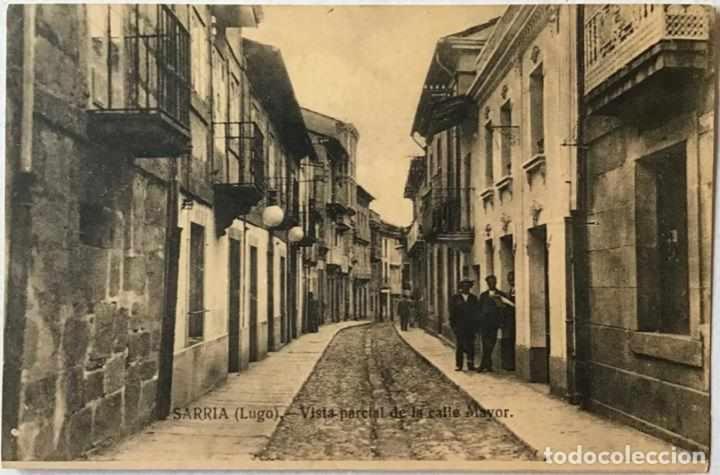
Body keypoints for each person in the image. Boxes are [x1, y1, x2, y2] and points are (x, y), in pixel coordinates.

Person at [477, 275, 510, 372]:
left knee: (491, 343)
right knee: (485, 343)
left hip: (494, 323)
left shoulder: (501, 294)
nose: (492, 284)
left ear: (496, 282)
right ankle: (488, 364)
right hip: (484, 324)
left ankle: (483, 364)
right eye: (490, 282)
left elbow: (505, 309)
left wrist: (501, 321)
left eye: (493, 282)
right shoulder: (483, 295)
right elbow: (479, 309)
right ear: (487, 283)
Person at [449, 279, 479, 371]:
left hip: (470, 326)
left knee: (471, 346)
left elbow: (476, 313)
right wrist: (454, 326)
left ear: (470, 287)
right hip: (460, 326)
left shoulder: (473, 298)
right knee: (460, 346)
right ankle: (459, 365)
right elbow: (452, 313)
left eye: (468, 286)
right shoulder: (455, 298)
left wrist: (476, 326)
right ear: (461, 287)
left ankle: (470, 364)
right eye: (464, 286)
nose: (466, 288)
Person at [500, 271, 516, 370]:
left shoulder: (517, 290)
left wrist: (507, 302)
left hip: (515, 321)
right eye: (509, 280)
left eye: (513, 279)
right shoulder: (510, 290)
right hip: (509, 321)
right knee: (508, 341)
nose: (511, 281)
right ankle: (508, 364)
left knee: (510, 341)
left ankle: (511, 365)